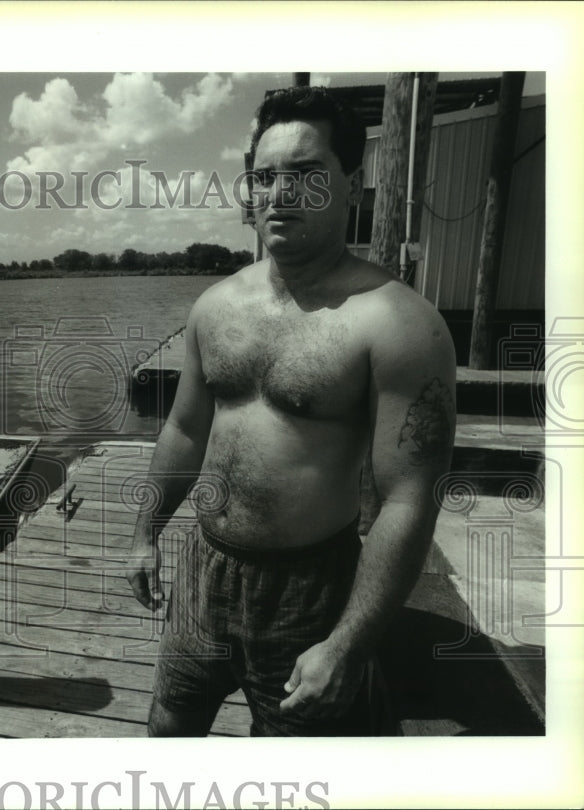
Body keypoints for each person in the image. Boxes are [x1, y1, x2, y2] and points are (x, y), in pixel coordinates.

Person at [125, 85, 456, 736]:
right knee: (170, 720)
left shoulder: (400, 325)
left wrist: (349, 644)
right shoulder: (214, 307)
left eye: (305, 175)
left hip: (309, 585)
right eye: (264, 178)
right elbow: (185, 430)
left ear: (352, 187)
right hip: (205, 565)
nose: (279, 194)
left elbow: (410, 500)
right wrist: (143, 535)